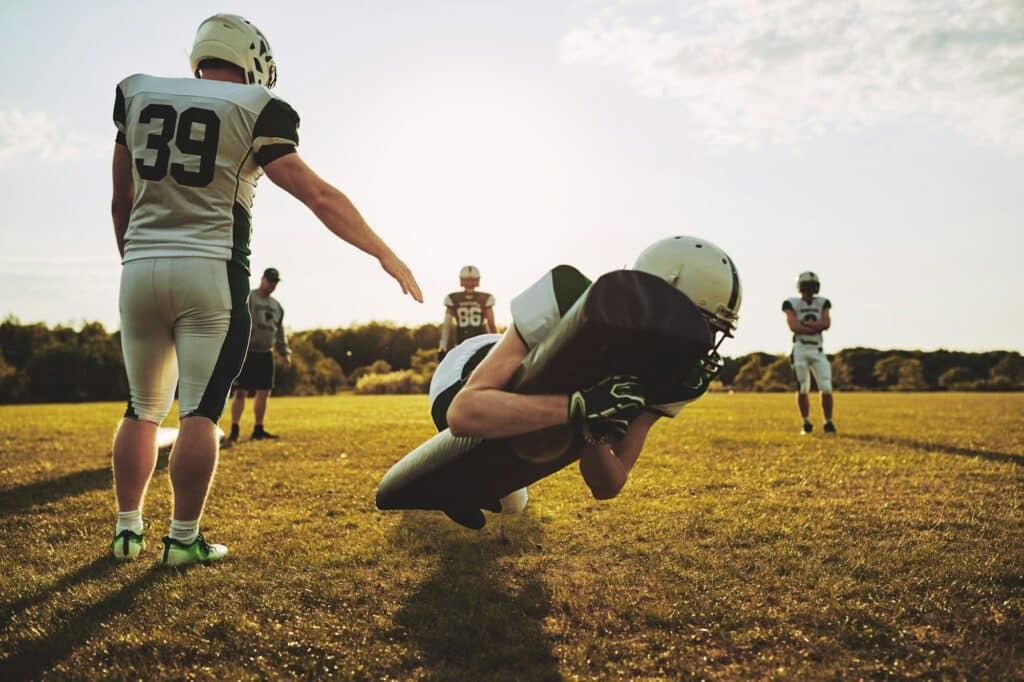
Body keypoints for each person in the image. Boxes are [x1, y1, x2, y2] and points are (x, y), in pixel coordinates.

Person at [110, 13, 422, 566]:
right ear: (252, 60)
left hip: (139, 267)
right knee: (201, 412)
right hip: (210, 273)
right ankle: (183, 540)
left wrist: (134, 260)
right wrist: (384, 251)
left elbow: (122, 200)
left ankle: (127, 531)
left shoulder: (137, 94)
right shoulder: (257, 108)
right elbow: (318, 196)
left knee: (141, 409)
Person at [427, 236, 740, 523]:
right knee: (501, 487)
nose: (704, 343)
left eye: (713, 331)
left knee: (512, 503)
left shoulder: (680, 378)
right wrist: (579, 406)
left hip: (527, 405)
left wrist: (594, 433)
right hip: (465, 371)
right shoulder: (569, 297)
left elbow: (610, 484)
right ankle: (460, 482)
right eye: (700, 326)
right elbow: (464, 411)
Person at [226, 267, 291, 443]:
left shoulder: (277, 306)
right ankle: (234, 429)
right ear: (262, 279)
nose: (271, 284)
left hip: (265, 353)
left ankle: (258, 428)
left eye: (275, 282)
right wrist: (238, 347)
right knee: (241, 391)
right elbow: (238, 322)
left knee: (264, 392)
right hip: (247, 352)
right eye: (269, 280)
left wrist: (284, 353)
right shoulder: (250, 298)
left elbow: (279, 333)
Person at [782, 271, 836, 435]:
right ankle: (806, 422)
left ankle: (828, 422)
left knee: (826, 386)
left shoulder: (823, 302)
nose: (810, 289)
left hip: (817, 349)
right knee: (803, 386)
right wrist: (815, 326)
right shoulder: (791, 303)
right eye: (807, 286)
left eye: (812, 286)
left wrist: (806, 325)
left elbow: (826, 323)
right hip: (800, 348)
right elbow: (794, 326)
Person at [438, 265, 496, 359]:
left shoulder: (453, 298)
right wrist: (496, 343)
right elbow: (491, 325)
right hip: (479, 343)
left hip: (462, 344)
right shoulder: (485, 298)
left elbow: (447, 325)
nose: (469, 282)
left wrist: (443, 344)